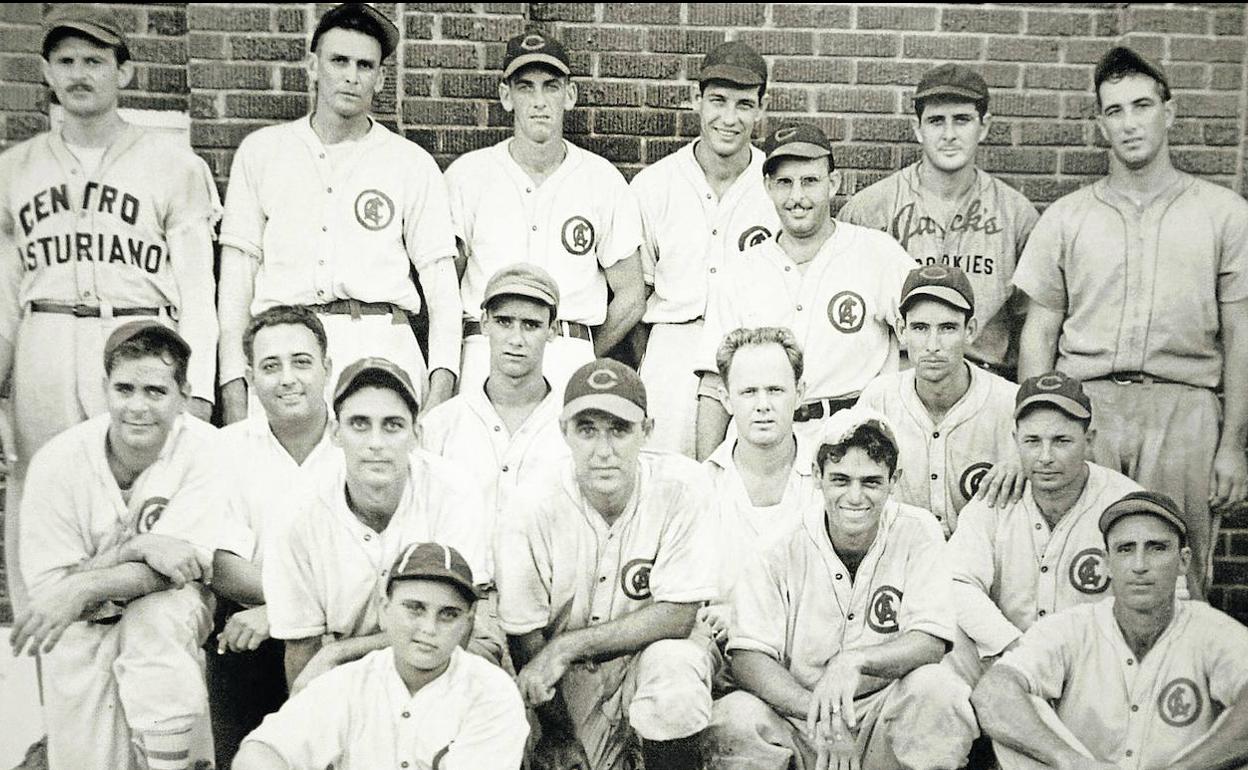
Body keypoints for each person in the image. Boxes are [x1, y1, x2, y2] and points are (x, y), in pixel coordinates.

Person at [0, 3, 219, 613]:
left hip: (137, 333)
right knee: (40, 484)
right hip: (45, 332)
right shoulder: (12, 171)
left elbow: (199, 290)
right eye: (65, 61)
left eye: (94, 61)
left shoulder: (174, 166)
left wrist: (196, 390)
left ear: (122, 73)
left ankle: (138, 623)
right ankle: (46, 624)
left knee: (145, 488)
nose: (79, 74)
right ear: (45, 71)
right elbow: (1, 296)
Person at [1014, 45, 1248, 598]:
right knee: (1083, 567)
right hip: (1089, 408)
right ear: (1100, 124)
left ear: (1170, 112)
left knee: (1177, 574)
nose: (1129, 122)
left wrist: (1233, 443)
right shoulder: (1067, 218)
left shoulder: (1224, 215)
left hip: (1185, 409)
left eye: (1141, 105)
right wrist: (1035, 427)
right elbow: (1039, 334)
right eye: (1114, 110)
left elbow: (1240, 335)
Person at [218, 2, 462, 423]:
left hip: (380, 342)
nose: (351, 75)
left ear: (381, 77)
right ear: (313, 66)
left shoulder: (409, 163)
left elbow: (442, 287)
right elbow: (236, 283)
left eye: (365, 65)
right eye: (339, 61)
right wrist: (235, 395)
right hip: (284, 347)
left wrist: (440, 394)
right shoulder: (262, 153)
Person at [11, 321, 236, 770]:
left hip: (173, 612)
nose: (138, 406)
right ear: (104, 389)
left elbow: (179, 569)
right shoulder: (58, 462)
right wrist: (136, 548)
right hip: (83, 628)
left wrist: (85, 584)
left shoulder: (208, 449)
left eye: (155, 391)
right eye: (124, 389)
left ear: (184, 394)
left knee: (157, 618)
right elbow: (53, 595)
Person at [705, 408, 976, 770]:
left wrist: (855, 660)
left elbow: (930, 639)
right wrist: (823, 715)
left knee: (940, 689)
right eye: (840, 479)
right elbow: (750, 658)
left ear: (894, 480)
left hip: (882, 710)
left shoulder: (918, 530)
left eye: (871, 481)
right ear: (817, 477)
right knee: (733, 718)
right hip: (798, 715)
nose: (855, 496)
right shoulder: (778, 544)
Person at [495, 359, 717, 770]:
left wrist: (568, 646)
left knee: (675, 674)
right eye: (587, 430)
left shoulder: (684, 486)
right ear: (564, 431)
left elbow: (678, 617)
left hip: (646, 660)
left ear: (646, 431)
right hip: (565, 680)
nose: (603, 451)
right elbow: (524, 633)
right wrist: (558, 733)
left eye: (619, 430)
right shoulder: (528, 505)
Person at [264, 357, 495, 694]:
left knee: (483, 655)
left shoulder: (453, 491)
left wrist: (339, 652)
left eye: (392, 425)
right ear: (335, 433)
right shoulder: (297, 511)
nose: (376, 442)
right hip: (345, 669)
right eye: (359, 424)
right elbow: (302, 653)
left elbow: (452, 628)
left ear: (416, 434)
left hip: (439, 651)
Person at [973, 491, 1248, 770]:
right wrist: (1072, 762)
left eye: (1157, 548)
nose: (1140, 565)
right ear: (1106, 564)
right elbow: (992, 692)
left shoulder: (1210, 629)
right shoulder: (1071, 627)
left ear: (1183, 561)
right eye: (1125, 549)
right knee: (1020, 725)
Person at [695, 122, 914, 462]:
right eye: (785, 183)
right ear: (767, 186)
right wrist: (705, 473)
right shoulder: (739, 271)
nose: (797, 197)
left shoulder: (877, 253)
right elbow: (713, 384)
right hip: (761, 445)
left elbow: (928, 336)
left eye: (810, 181)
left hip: (854, 440)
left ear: (833, 183)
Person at [444, 31, 645, 396]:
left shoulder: (601, 180)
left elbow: (631, 294)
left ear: (570, 95)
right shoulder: (467, 176)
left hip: (568, 346)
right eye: (526, 87)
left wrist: (584, 352)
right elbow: (444, 285)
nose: (540, 101)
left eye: (551, 86)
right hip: (485, 347)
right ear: (506, 95)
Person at [233, 542, 530, 770]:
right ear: (384, 610)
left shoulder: (492, 693)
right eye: (415, 608)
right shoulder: (348, 683)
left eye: (448, 614)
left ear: (468, 622)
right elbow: (260, 752)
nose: (429, 628)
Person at [839, 63, 1039, 381]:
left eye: (961, 120)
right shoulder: (871, 210)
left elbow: (1033, 324)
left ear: (984, 126)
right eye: (936, 121)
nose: (949, 135)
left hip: (986, 380)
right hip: (897, 382)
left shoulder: (1016, 214)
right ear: (918, 128)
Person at [944, 371, 1144, 685]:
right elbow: (956, 583)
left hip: (1093, 670)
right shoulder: (994, 498)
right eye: (1033, 442)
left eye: (1061, 441)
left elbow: (1161, 599)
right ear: (1015, 441)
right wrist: (1012, 646)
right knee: (945, 647)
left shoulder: (1127, 504)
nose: (1046, 457)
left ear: (1088, 440)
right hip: (1006, 657)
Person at [630, 41, 779, 456]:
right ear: (696, 100)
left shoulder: (778, 187)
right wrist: (660, 357)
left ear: (761, 109)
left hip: (754, 356)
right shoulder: (654, 185)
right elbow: (636, 296)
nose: (729, 118)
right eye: (718, 101)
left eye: (744, 104)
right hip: (672, 350)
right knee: (664, 480)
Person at [207, 305, 341, 766]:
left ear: (327, 367)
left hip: (347, 633)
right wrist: (285, 613)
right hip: (252, 633)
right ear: (248, 376)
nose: (287, 378)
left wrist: (283, 611)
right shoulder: (226, 448)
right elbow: (223, 567)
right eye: (270, 365)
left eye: (301, 362)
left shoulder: (361, 441)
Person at [858, 265, 1020, 534]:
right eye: (920, 328)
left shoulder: (1008, 404)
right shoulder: (879, 400)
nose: (933, 345)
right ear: (902, 330)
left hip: (985, 560)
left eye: (947, 328)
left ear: (970, 330)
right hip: (902, 559)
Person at [420, 263, 568, 520]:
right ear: (485, 323)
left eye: (531, 325)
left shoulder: (571, 426)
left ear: (552, 330)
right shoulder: (441, 425)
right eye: (504, 322)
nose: (516, 338)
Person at [702, 327, 817, 642]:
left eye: (776, 390)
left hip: (809, 649)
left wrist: (742, 616)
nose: (763, 404)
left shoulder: (831, 481)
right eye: (748, 392)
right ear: (726, 399)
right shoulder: (701, 487)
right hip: (720, 652)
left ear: (800, 393)